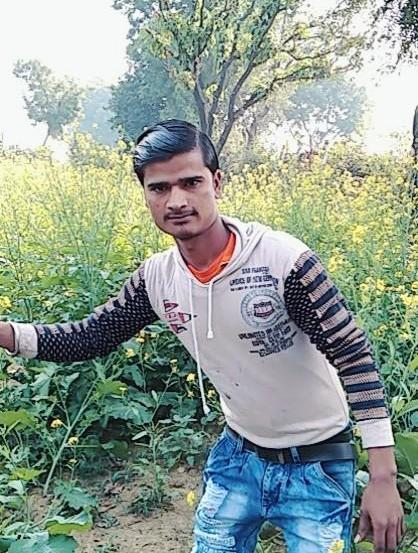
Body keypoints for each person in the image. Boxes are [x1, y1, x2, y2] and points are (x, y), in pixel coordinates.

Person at [0, 120, 404, 553]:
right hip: (238, 456)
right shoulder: (158, 279)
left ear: (217, 182)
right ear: (145, 195)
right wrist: (6, 333)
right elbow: (90, 337)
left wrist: (382, 478)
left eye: (191, 182)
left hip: (317, 462)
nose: (176, 201)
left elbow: (353, 355)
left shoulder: (282, 262)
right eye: (159, 188)